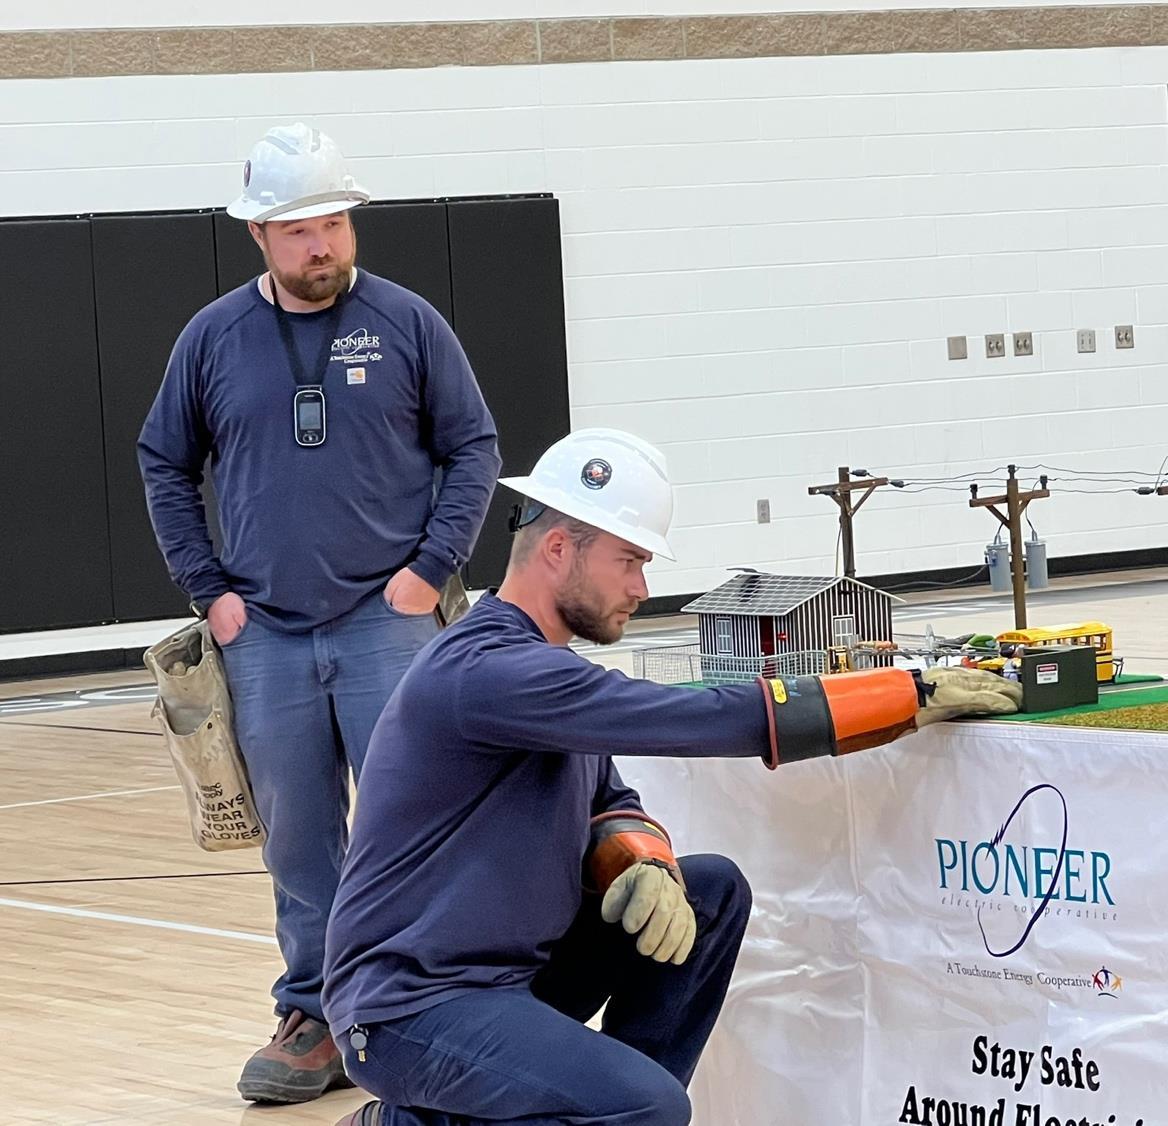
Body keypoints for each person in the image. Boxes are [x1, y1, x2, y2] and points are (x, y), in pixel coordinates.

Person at [320, 428, 1020, 1126]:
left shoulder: (540, 672)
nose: (641, 588)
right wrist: (904, 695)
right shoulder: (488, 670)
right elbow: (698, 717)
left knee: (708, 892)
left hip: (509, 982)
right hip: (409, 1008)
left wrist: (644, 861)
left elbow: (610, 801)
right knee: (648, 1107)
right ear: (558, 548)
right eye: (629, 561)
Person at [137, 122, 501, 1104]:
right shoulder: (212, 338)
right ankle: (316, 1013)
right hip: (265, 635)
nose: (321, 245)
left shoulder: (410, 323)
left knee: (416, 822)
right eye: (298, 229)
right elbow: (164, 461)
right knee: (298, 841)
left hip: (390, 623)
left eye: (333, 223)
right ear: (258, 234)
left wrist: (430, 570)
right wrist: (210, 592)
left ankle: (428, 1009)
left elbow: (474, 447)